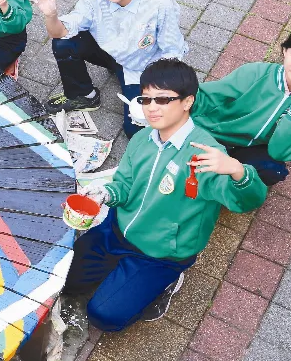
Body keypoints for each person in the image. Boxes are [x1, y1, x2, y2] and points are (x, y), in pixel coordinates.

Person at [66, 59, 267, 332]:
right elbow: (124, 184)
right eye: (146, 99)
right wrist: (105, 194)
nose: (152, 108)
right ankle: (122, 277)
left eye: (163, 99)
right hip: (116, 231)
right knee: (63, 281)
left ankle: (168, 281)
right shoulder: (142, 138)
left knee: (103, 316)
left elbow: (246, 201)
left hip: (160, 254)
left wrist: (238, 172)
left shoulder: (206, 155)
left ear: (187, 102)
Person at [32, 0, 187, 137]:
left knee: (135, 130)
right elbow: (59, 32)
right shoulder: (91, 1)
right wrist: (51, 15)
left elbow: (172, 52)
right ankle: (83, 95)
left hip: (141, 67)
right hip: (109, 53)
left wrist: (156, 90)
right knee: (63, 42)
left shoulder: (159, 4)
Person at [192, 22, 291, 186]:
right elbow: (207, 96)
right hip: (213, 135)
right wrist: (176, 101)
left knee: (273, 171)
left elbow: (281, 153)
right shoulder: (256, 72)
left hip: (249, 149)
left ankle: (227, 180)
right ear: (285, 51)